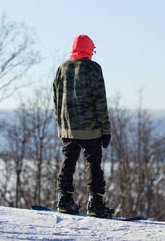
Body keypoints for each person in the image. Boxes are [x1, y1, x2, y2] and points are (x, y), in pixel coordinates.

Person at [53, 34, 114, 218]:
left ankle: (64, 199)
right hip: (90, 128)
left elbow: (56, 98)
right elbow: (100, 101)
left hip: (68, 127)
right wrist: (105, 130)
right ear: (89, 49)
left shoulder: (62, 68)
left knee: (68, 159)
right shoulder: (93, 68)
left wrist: (61, 124)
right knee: (93, 162)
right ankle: (95, 203)